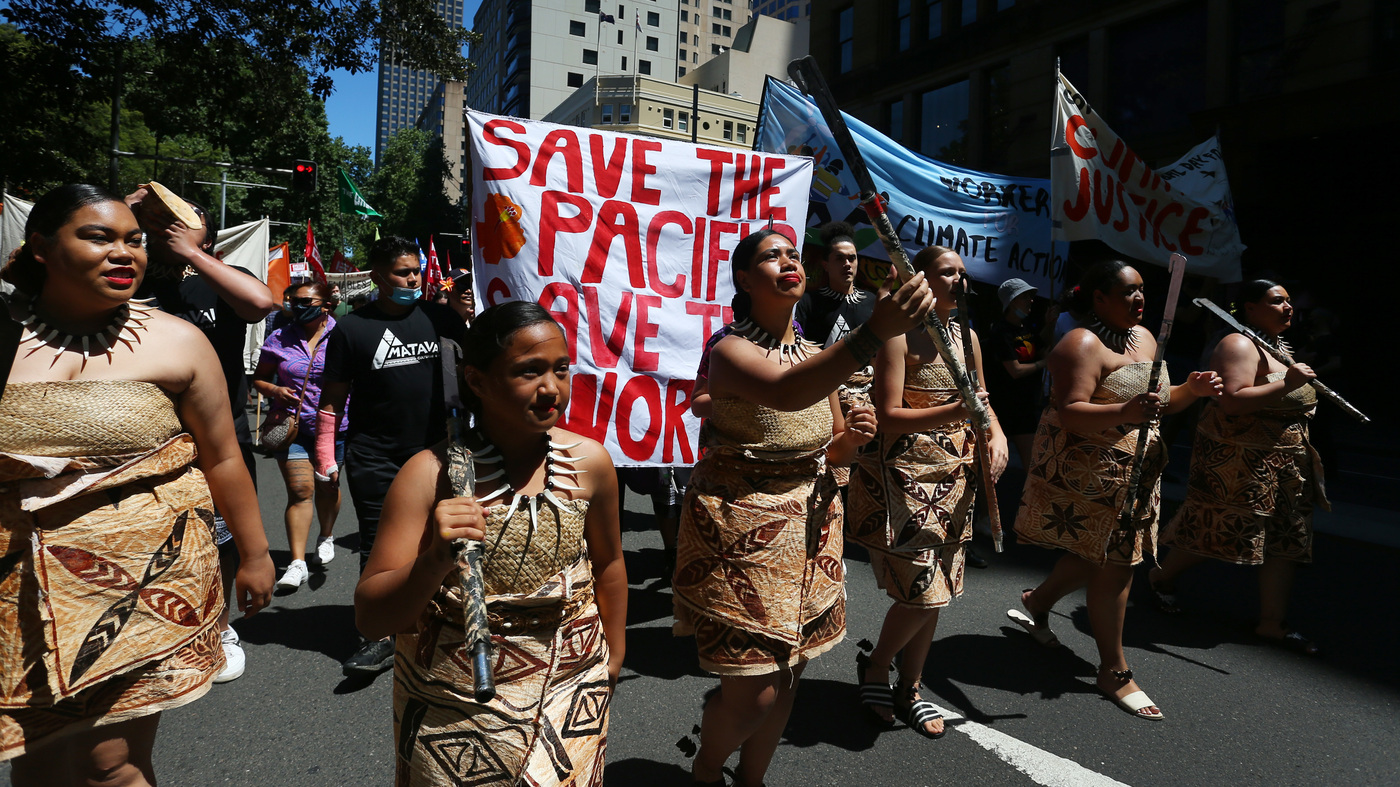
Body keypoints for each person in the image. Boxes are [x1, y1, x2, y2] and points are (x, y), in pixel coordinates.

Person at [0, 184, 274, 784]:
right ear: (41, 247)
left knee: (111, 766)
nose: (125, 252)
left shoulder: (177, 339)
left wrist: (254, 555)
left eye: (134, 240)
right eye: (99, 237)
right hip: (15, 591)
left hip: (143, 587)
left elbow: (224, 456)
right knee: (39, 763)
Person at [675, 229, 932, 787]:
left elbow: (833, 446)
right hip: (740, 534)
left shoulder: (818, 356)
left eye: (794, 254)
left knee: (790, 679)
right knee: (753, 695)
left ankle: (752, 780)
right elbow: (788, 393)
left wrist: (855, 438)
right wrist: (875, 332)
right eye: (772, 256)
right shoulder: (728, 350)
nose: (789, 261)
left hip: (812, 535)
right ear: (745, 280)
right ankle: (703, 771)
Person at [354, 301, 626, 786]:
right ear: (476, 381)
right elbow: (373, 617)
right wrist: (435, 560)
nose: (551, 389)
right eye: (529, 371)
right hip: (454, 704)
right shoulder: (428, 476)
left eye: (561, 370)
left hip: (573, 687)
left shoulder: (591, 464)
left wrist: (614, 654)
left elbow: (608, 565)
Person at [1008, 260, 1221, 722]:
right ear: (1098, 298)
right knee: (1117, 568)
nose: (1139, 299)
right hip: (1090, 478)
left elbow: (1162, 402)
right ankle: (1114, 670)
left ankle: (1037, 602)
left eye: (1142, 290)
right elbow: (1070, 413)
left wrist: (1191, 389)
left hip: (1139, 475)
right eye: (1127, 292)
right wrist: (1126, 410)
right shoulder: (1079, 344)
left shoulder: (1147, 339)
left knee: (1094, 555)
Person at [846, 246, 1008, 739]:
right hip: (907, 479)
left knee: (938, 592)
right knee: (925, 593)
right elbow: (888, 418)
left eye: (962, 272)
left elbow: (981, 400)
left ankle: (911, 686)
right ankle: (876, 667)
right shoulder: (896, 336)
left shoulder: (968, 336)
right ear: (920, 278)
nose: (959, 279)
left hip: (956, 479)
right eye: (947, 272)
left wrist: (996, 434)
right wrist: (955, 413)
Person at [127, 185, 279, 683]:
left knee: (222, 537)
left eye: (181, 219)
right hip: (143, 442)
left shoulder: (220, 280)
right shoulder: (128, 275)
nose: (165, 225)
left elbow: (259, 303)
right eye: (156, 219)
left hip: (219, 438)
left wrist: (192, 253)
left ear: (206, 234)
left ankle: (221, 627)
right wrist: (121, 213)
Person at [315, 235, 464, 677]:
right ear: (378, 277)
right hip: (376, 458)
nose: (413, 278)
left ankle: (444, 620)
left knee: (450, 537)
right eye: (402, 272)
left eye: (416, 270)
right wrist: (327, 456)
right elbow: (331, 401)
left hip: (438, 455)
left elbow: (472, 380)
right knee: (378, 543)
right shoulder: (351, 329)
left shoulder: (442, 319)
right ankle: (377, 634)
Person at [1153, 280, 1325, 654]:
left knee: (1284, 541)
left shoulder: (1282, 348)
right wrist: (1289, 384)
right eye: (1277, 301)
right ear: (1250, 307)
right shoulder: (1238, 344)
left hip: (1287, 462)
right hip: (1239, 462)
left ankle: (1271, 623)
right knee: (1219, 533)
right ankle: (1159, 578)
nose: (1288, 307)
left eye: (1289, 300)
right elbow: (1232, 401)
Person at [252, 281, 346, 591]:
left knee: (327, 487)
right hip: (291, 428)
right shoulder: (279, 337)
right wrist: (276, 389)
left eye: (306, 300)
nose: (297, 306)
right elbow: (260, 379)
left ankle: (326, 534)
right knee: (300, 490)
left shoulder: (343, 335)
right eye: (293, 301)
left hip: (335, 429)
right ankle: (297, 564)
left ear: (326, 305)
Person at [983, 277, 1048, 467]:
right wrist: (1044, 363)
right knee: (991, 466)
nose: (1031, 301)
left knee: (1033, 465)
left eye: (1031, 296)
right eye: (1025, 296)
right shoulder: (1001, 332)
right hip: (1005, 408)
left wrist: (1049, 324)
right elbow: (1015, 370)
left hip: (1025, 408)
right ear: (1012, 301)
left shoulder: (1027, 326)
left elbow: (1041, 346)